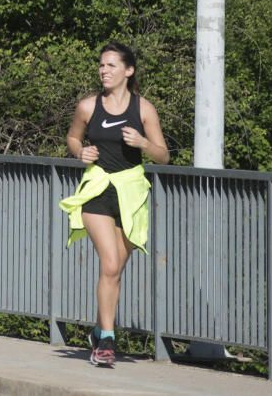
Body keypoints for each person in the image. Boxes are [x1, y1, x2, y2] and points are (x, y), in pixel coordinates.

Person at [59, 42, 169, 368]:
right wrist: (80, 152)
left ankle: (98, 329)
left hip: (131, 192)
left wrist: (144, 143)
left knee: (116, 269)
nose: (103, 71)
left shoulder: (144, 109)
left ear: (128, 70)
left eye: (110, 65)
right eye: (101, 65)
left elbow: (163, 154)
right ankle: (107, 340)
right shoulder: (88, 106)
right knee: (109, 265)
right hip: (98, 189)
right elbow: (72, 138)